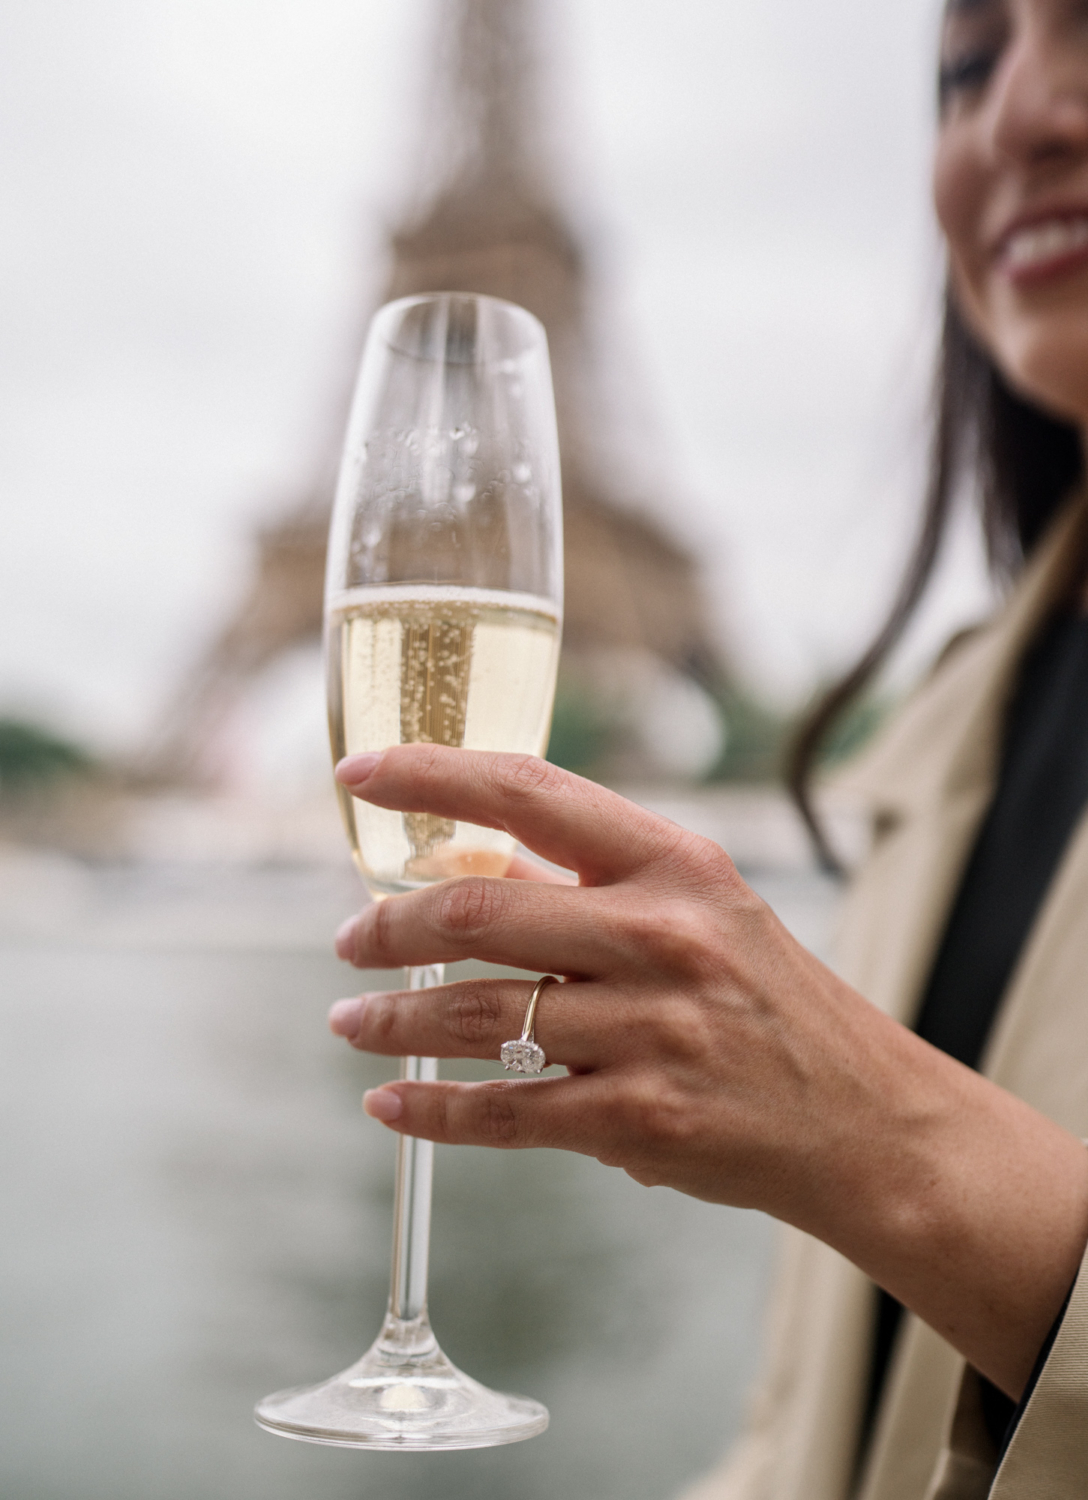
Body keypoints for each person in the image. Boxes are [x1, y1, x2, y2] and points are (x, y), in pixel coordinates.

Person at [326, 1, 1088, 1494]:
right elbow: (813, 1427)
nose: (1016, 118)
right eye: (963, 67)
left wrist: (889, 1141)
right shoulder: (946, 740)